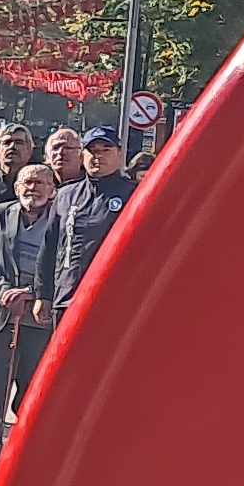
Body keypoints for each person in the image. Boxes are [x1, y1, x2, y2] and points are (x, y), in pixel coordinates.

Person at [0, 159, 61, 436]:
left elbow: (63, 264)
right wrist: (4, 292)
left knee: (33, 379)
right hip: (2, 311)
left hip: (40, 312)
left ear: (52, 189)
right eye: (28, 182)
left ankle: (27, 437)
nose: (33, 188)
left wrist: (34, 295)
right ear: (16, 187)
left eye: (41, 182)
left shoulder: (61, 219)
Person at [50, 126, 140, 332]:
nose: (98, 156)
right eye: (92, 151)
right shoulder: (66, 195)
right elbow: (50, 247)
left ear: (119, 154)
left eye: (105, 150)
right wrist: (43, 295)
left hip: (110, 301)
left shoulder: (133, 194)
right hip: (67, 295)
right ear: (82, 156)